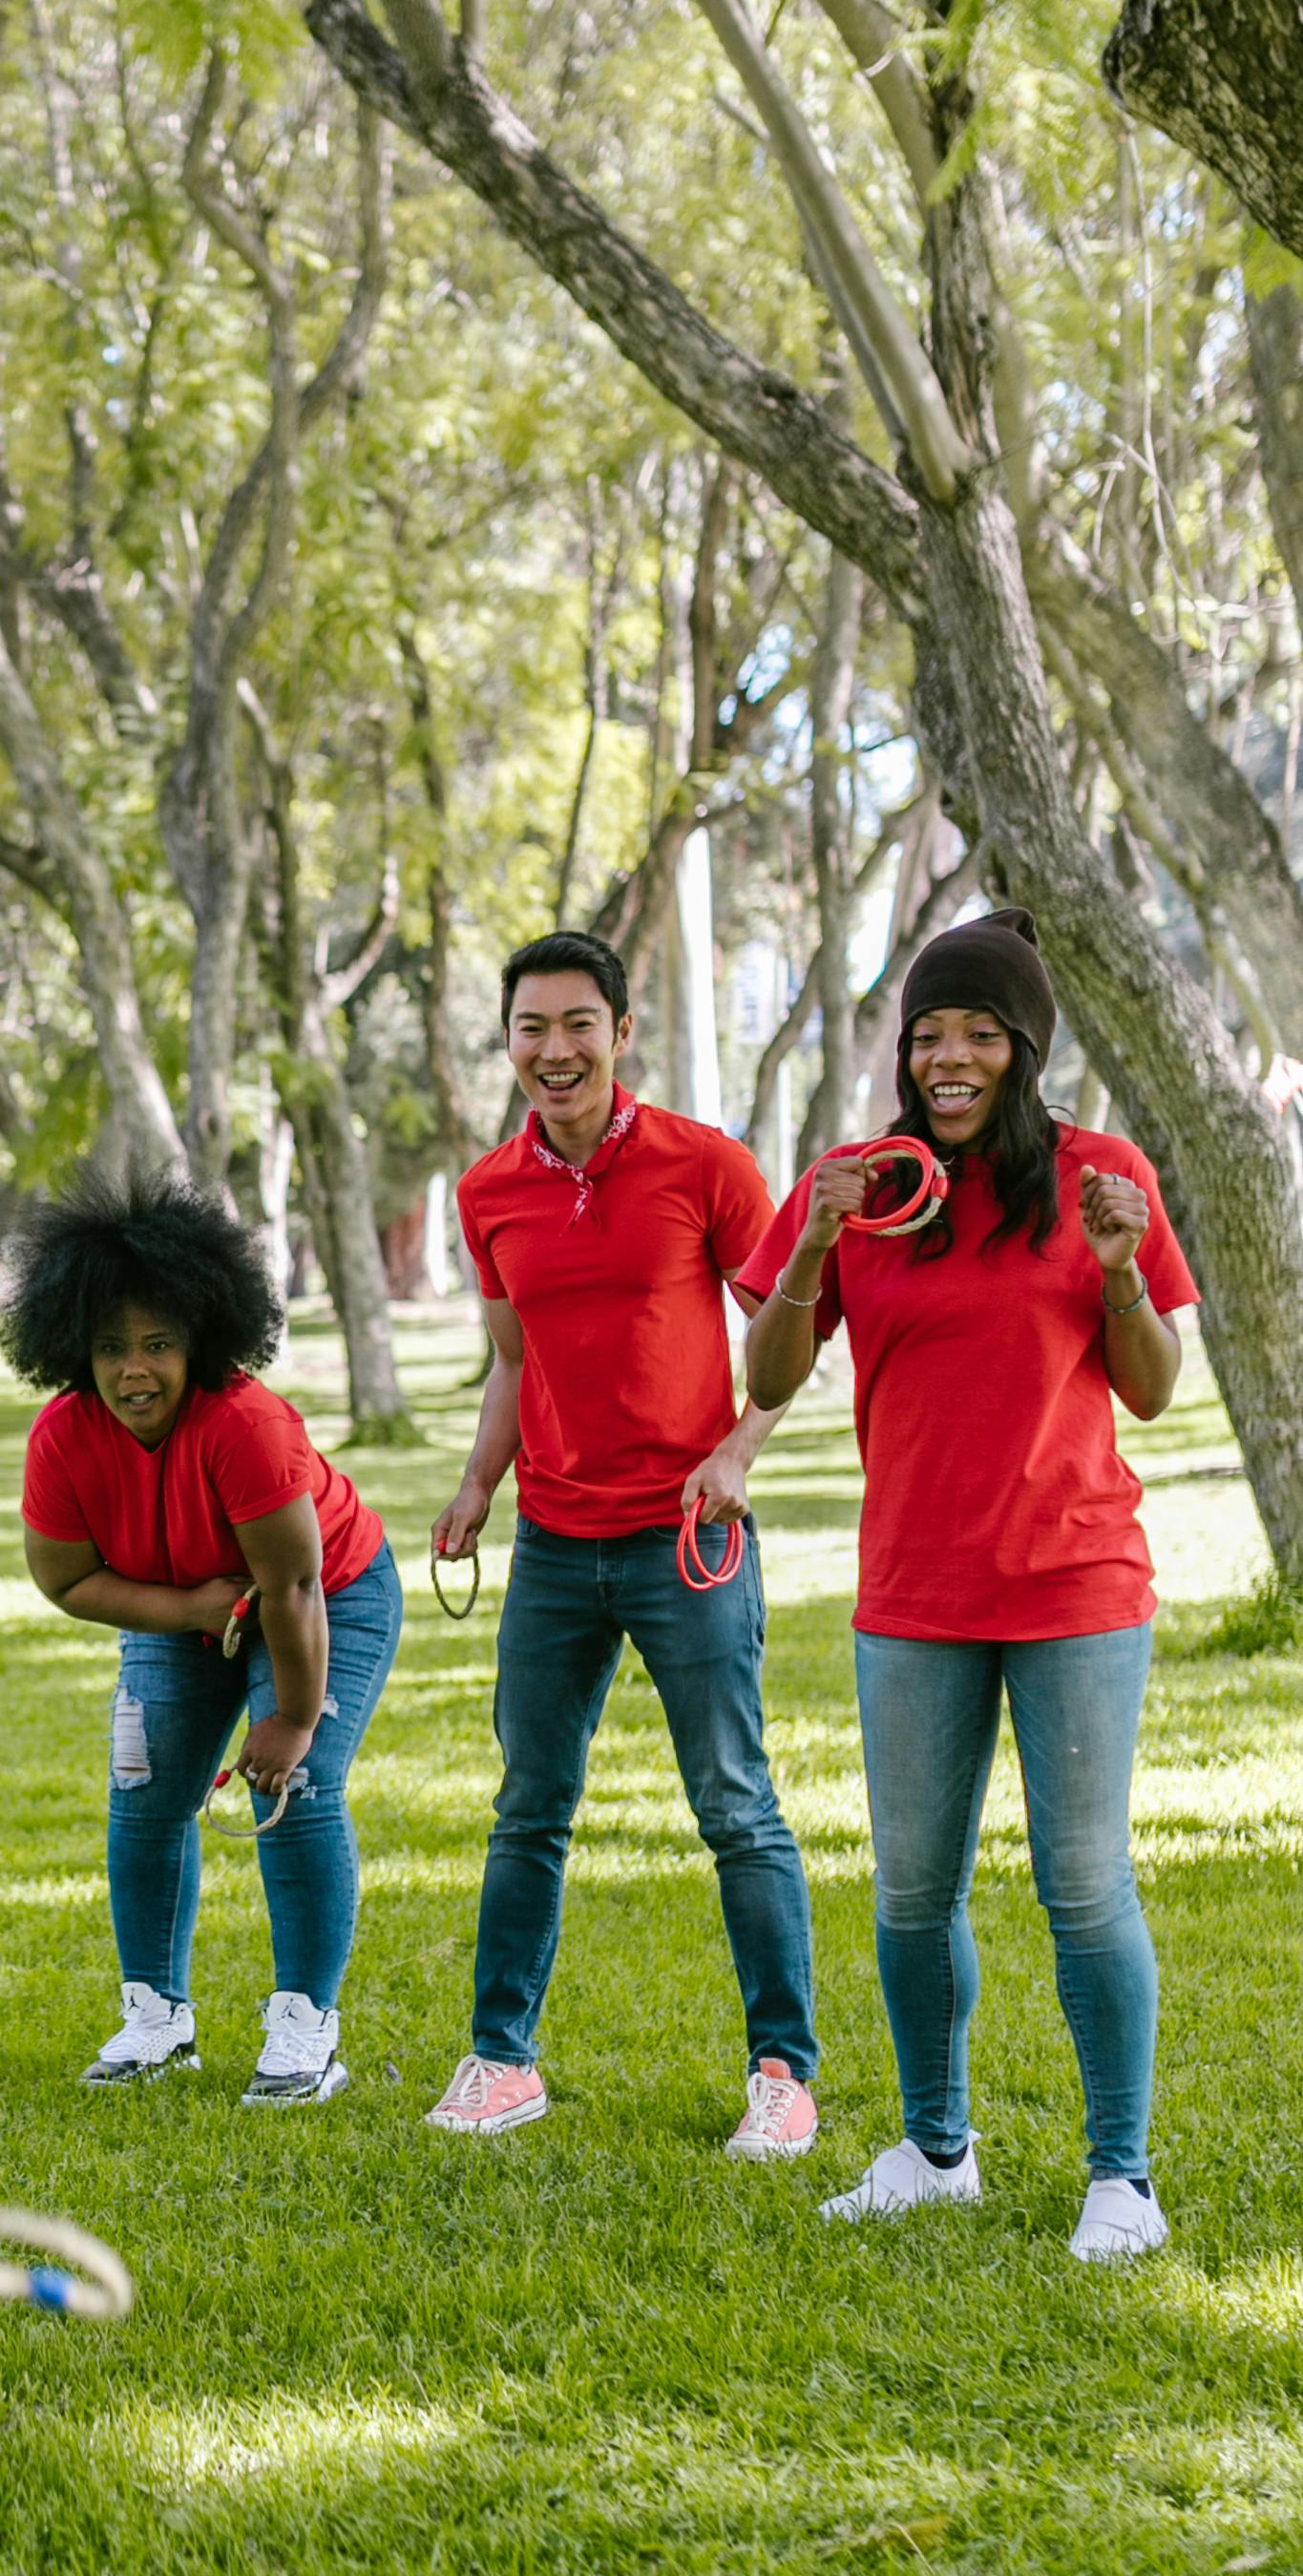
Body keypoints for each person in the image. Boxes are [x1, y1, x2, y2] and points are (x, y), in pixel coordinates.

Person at [739, 911, 1193, 2261]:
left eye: (978, 1032)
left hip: (1077, 1587)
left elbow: (1156, 1391)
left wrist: (1117, 1274)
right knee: (910, 1893)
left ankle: (1123, 2178)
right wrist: (813, 1247)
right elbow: (765, 1379)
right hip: (915, 1595)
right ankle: (937, 2150)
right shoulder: (859, 1187)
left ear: (1024, 1047)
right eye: (929, 1033)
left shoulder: (1103, 1175)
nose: (949, 1056)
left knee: (1082, 1884)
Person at [427, 928, 818, 2153]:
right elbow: (511, 1355)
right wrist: (478, 1484)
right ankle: (502, 2060)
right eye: (531, 1028)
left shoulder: (703, 1164)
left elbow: (790, 1331)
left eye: (577, 1024)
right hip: (553, 1543)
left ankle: (783, 2072)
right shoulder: (489, 1190)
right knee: (529, 1807)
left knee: (735, 1804)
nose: (555, 1050)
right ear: (509, 1042)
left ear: (620, 1030)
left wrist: (738, 1451)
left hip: (687, 1537)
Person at [3, 1170, 402, 2103]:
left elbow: (293, 1582)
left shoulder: (246, 1424)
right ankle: (157, 2019)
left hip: (325, 1596)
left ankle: (306, 2029)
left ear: (200, 1342)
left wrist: (294, 1719)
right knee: (143, 1791)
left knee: (295, 1786)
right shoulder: (64, 1437)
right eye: (109, 1347)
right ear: (73, 1349)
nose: (132, 1369)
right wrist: (188, 1610)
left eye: (156, 1344)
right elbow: (65, 1578)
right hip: (183, 1603)